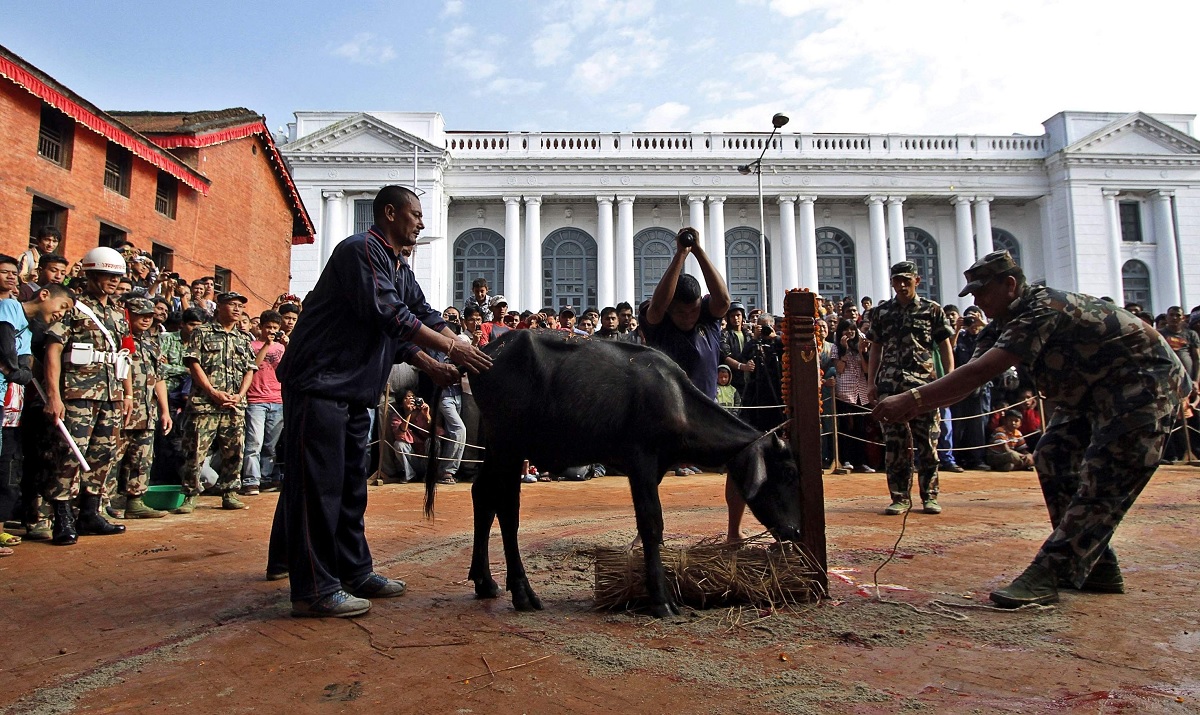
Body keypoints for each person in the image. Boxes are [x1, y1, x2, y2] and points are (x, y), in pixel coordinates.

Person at [873, 249, 1188, 608]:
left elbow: (980, 373)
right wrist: (918, 401)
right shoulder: (1002, 323)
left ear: (1010, 285)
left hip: (1144, 386)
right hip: (1094, 392)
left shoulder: (1041, 309)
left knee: (1106, 476)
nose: (976, 300)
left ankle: (1049, 572)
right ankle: (1097, 565)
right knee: (1053, 453)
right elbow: (969, 375)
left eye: (981, 291)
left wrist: (911, 400)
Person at [272, 185, 490, 618]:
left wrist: (436, 359)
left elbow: (420, 317)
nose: (421, 222)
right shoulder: (361, 251)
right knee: (320, 488)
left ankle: (354, 570)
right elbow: (390, 316)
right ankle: (314, 589)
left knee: (351, 486)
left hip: (353, 391)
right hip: (320, 384)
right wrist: (452, 351)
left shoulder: (398, 267)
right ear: (389, 213)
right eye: (415, 213)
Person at [637, 228, 742, 536]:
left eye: (694, 309)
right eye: (681, 312)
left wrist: (698, 251)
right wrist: (679, 255)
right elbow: (657, 306)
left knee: (740, 457)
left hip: (704, 412)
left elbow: (722, 298)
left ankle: (734, 531)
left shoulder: (708, 317)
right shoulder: (657, 322)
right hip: (665, 415)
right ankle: (650, 537)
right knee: (646, 475)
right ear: (671, 308)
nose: (689, 317)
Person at [42, 247, 134, 545]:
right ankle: (63, 517)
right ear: (92, 275)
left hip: (111, 393)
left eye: (117, 277)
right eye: (107, 275)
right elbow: (53, 350)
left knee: (104, 453)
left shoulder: (119, 313)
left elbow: (125, 355)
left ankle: (90, 513)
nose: (113, 282)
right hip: (78, 393)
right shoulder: (74, 307)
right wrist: (54, 396)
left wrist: (128, 394)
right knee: (70, 454)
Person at [866, 261, 954, 516]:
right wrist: (872, 383)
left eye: (907, 280)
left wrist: (948, 380)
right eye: (897, 281)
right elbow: (875, 349)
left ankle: (930, 496)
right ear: (892, 282)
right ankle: (900, 497)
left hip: (924, 386)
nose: (902, 285)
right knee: (895, 446)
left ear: (917, 280)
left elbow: (944, 346)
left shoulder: (932, 310)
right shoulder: (882, 313)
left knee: (928, 444)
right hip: (891, 387)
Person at [176, 291, 258, 514]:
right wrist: (212, 392)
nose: (237, 310)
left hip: (234, 404)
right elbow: (193, 364)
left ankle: (230, 491)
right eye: (232, 305)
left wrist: (240, 395)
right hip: (205, 403)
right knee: (195, 451)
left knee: (235, 451)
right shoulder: (202, 332)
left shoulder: (243, 338)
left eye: (240, 306)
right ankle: (190, 494)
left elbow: (250, 370)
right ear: (219, 307)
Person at [108, 298, 173, 519]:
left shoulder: (152, 343)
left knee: (142, 458)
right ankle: (99, 504)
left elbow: (159, 378)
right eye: (140, 314)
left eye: (149, 315)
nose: (146, 319)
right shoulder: (117, 339)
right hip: (122, 407)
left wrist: (165, 410)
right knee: (110, 457)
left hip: (146, 410)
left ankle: (135, 502)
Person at [242, 311, 286, 495]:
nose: (271, 331)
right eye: (268, 327)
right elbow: (252, 365)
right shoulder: (250, 345)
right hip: (256, 400)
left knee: (270, 445)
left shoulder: (282, 348)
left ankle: (266, 478)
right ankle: (251, 480)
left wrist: (286, 345)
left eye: (275, 328)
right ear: (260, 327)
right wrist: (266, 345)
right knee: (254, 442)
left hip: (277, 399)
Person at [719, 301, 756, 396]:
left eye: (738, 315)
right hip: (732, 378)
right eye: (732, 316)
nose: (735, 318)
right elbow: (725, 356)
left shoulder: (749, 335)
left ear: (742, 316)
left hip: (750, 379)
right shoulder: (724, 334)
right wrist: (742, 366)